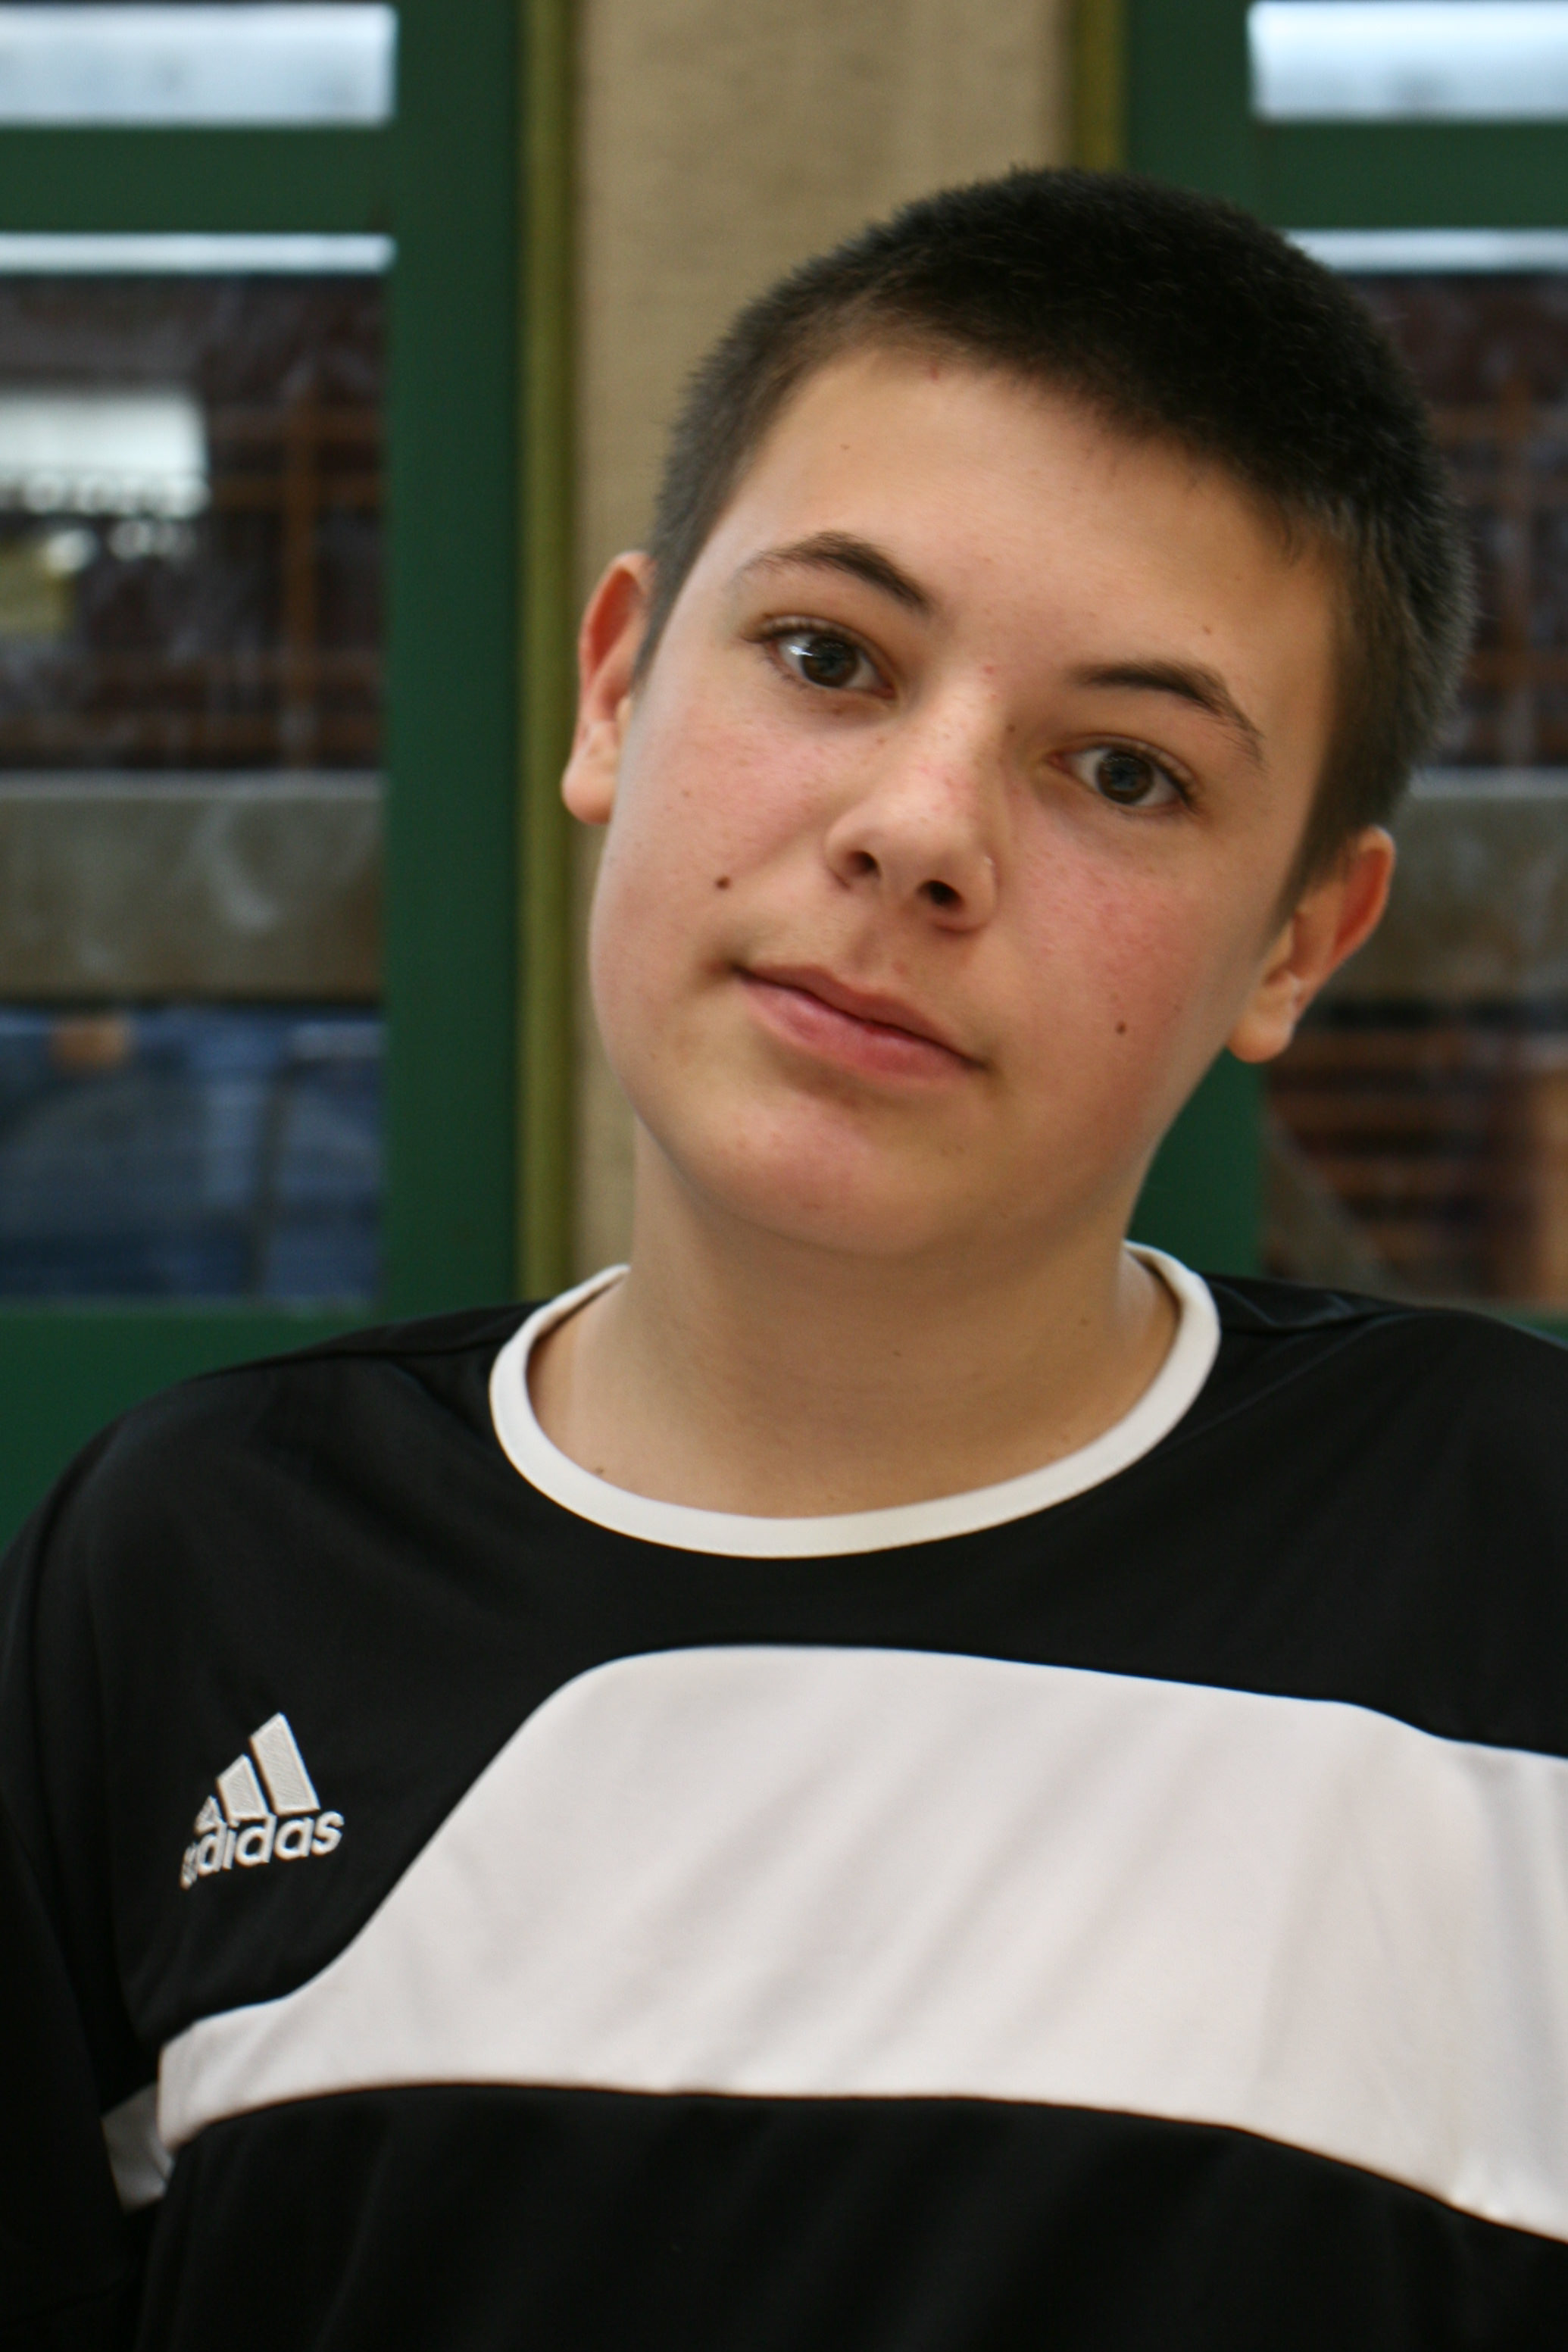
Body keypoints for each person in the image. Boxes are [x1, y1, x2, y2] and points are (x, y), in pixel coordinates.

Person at [5, 165, 1564, 2350]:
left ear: (1301, 937)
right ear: (617, 688)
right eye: (829, 656)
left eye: (1126, 770)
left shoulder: (1512, 1560)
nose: (918, 831)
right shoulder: (191, 1567)